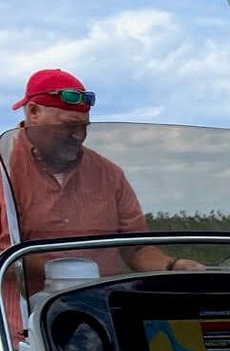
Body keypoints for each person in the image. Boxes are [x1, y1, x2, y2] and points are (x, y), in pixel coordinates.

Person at [2, 68, 203, 334]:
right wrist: (71, 275)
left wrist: (174, 267)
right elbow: (5, 254)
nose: (79, 135)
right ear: (33, 113)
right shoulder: (4, 169)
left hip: (103, 325)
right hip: (17, 334)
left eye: (84, 126)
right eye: (68, 126)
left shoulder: (110, 173)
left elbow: (136, 248)